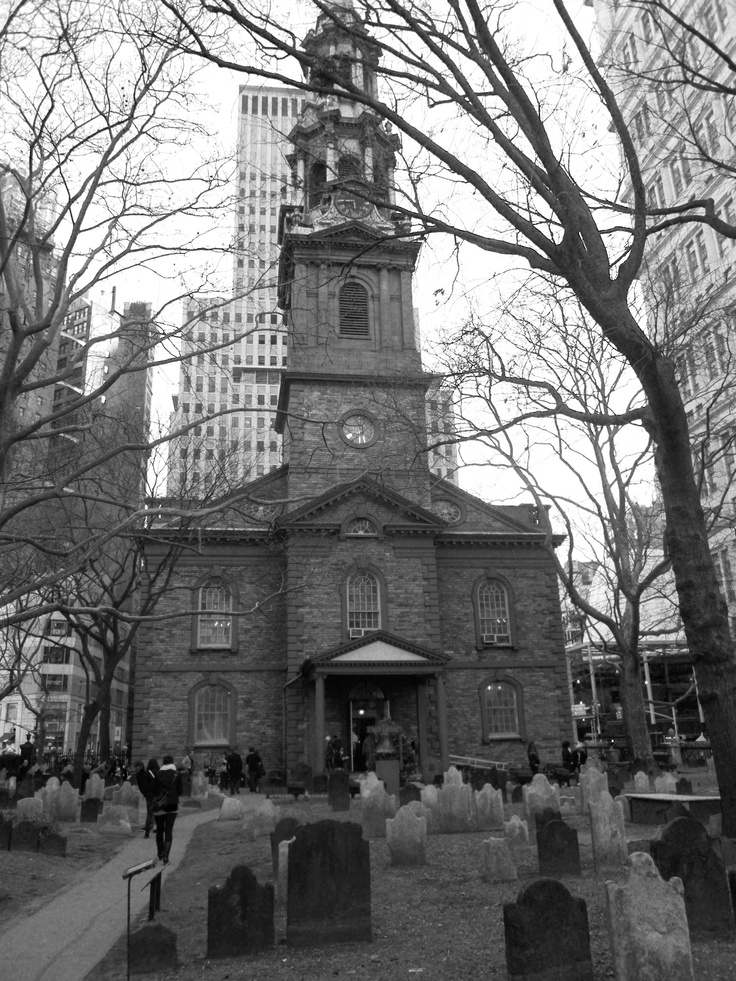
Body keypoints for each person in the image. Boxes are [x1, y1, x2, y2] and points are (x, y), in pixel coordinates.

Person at [152, 754, 182, 864]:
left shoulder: (158, 774)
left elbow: (154, 789)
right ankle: (166, 856)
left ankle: (160, 853)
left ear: (163, 763)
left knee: (159, 830)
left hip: (160, 804)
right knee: (168, 830)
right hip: (172, 804)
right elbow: (180, 790)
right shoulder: (176, 775)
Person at [134, 759, 156, 838]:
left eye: (137, 767)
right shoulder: (139, 774)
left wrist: (148, 792)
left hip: (150, 794)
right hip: (147, 794)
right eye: (135, 767)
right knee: (150, 811)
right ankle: (149, 826)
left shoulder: (147, 773)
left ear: (141, 766)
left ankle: (149, 827)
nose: (135, 768)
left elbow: (151, 782)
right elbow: (141, 786)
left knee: (151, 812)